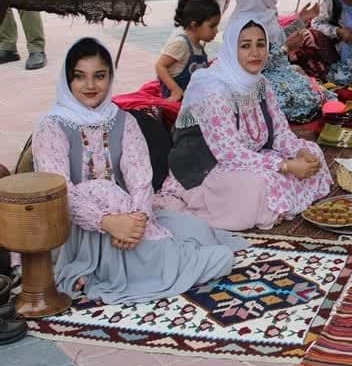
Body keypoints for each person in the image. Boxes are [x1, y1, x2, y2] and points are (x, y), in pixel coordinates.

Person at [32, 38, 247, 304]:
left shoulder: (123, 120)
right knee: (100, 189)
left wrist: (138, 222)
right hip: (78, 227)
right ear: (67, 81)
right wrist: (108, 223)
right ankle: (120, 266)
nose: (90, 86)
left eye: (99, 76)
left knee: (199, 232)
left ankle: (139, 258)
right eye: (79, 77)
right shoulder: (52, 126)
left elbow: (140, 181)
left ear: (110, 77)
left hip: (131, 218)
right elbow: (60, 192)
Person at [161, 16, 332, 232]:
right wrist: (286, 166)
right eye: (245, 46)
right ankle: (264, 206)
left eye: (261, 44)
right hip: (208, 168)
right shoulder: (213, 89)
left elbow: (279, 132)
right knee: (258, 184)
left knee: (312, 151)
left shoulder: (260, 83)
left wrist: (299, 152)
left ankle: (273, 205)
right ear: (232, 49)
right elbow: (228, 153)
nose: (255, 53)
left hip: (252, 156)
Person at [233, 0, 335, 123]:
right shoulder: (244, 22)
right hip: (259, 78)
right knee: (297, 99)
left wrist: (301, 21)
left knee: (318, 93)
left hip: (280, 70)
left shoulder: (266, 11)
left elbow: (277, 37)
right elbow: (253, 65)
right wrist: (286, 48)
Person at [156, 0, 220, 101]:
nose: (216, 31)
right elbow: (160, 66)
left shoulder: (199, 47)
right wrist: (175, 90)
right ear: (194, 25)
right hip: (177, 101)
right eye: (212, 26)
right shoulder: (181, 44)